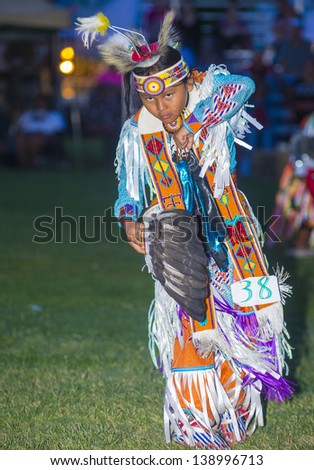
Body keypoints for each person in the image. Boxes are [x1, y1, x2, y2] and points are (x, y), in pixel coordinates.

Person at [76, 10, 294, 449]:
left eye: (168, 96)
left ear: (186, 83)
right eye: (150, 99)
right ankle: (195, 420)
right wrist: (128, 214)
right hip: (176, 241)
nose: (160, 107)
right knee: (189, 323)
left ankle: (233, 413)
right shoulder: (139, 129)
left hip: (233, 236)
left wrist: (192, 125)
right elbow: (130, 185)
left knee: (245, 322)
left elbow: (244, 85)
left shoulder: (213, 100)